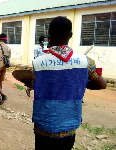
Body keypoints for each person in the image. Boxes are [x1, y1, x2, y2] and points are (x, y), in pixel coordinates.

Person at [31, 16, 106, 150]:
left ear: (49, 35)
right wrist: (81, 82)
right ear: (70, 35)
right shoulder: (85, 62)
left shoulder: (38, 63)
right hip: (68, 126)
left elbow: (33, 83)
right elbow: (102, 84)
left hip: (44, 127)